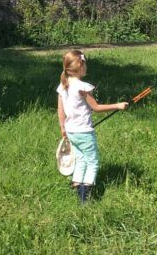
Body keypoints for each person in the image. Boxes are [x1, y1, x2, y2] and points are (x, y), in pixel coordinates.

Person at [57, 49, 128, 202]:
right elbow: (96, 107)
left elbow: (60, 111)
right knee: (93, 161)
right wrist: (118, 105)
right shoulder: (83, 87)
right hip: (84, 132)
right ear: (81, 65)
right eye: (86, 63)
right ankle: (85, 196)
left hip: (71, 131)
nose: (87, 67)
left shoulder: (63, 85)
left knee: (81, 159)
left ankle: (77, 185)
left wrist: (63, 128)